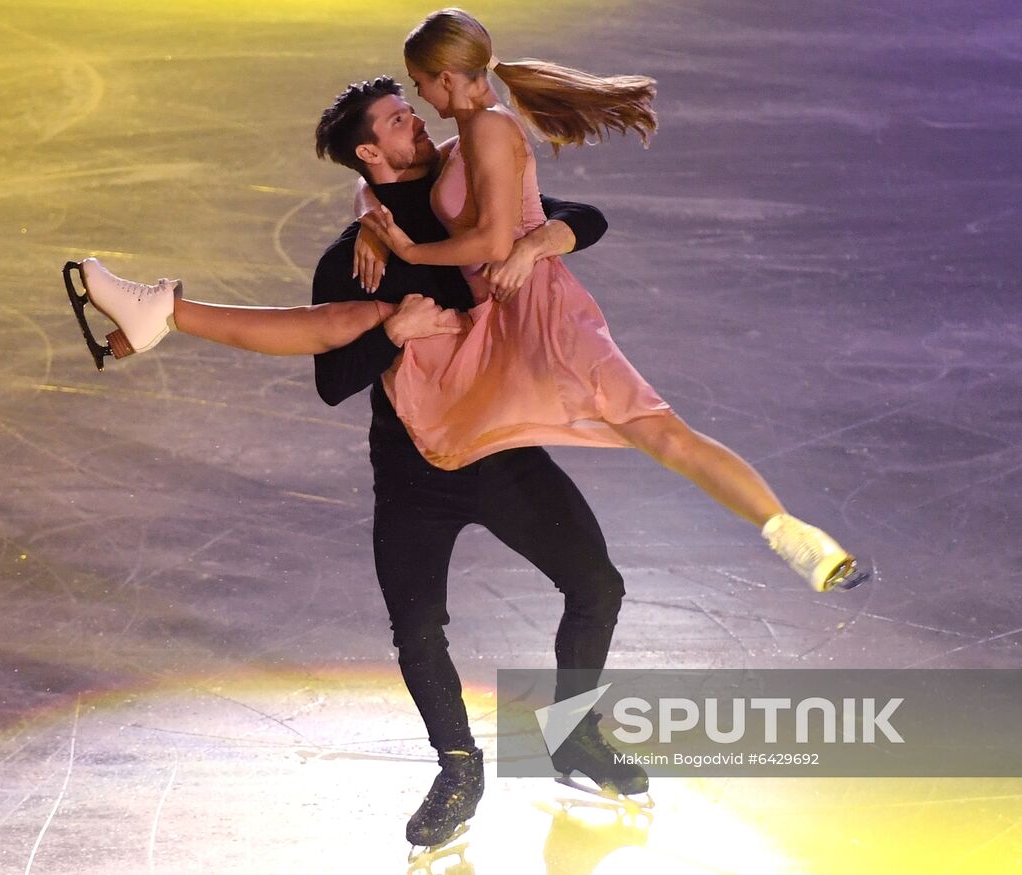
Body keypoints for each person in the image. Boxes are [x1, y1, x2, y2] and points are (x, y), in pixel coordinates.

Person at [64, 78, 644, 847]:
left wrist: (538, 242)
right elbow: (333, 379)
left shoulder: (460, 200)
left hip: (500, 452)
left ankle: (575, 739)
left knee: (596, 583)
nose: (421, 124)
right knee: (416, 624)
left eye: (412, 111)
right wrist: (395, 333)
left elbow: (581, 217)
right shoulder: (352, 257)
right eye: (401, 122)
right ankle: (458, 767)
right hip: (412, 470)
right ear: (370, 153)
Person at [353, 8, 868, 600]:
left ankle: (794, 536)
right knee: (617, 430)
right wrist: (370, 220)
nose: (417, 93)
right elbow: (382, 180)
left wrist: (412, 251)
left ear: (445, 76)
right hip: (504, 318)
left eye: (418, 80)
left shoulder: (491, 129)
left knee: (661, 434)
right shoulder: (466, 135)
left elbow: (495, 242)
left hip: (542, 314)